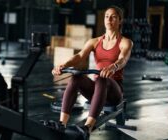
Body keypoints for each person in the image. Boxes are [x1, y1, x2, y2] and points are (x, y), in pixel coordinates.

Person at [51, 5, 133, 139]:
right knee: (76, 78)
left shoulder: (125, 42)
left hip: (114, 92)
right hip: (97, 91)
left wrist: (112, 67)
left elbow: (122, 59)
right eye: (107, 16)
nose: (109, 19)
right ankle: (62, 124)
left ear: (120, 20)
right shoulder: (94, 41)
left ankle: (87, 127)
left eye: (113, 17)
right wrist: (63, 65)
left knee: (101, 79)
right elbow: (79, 56)